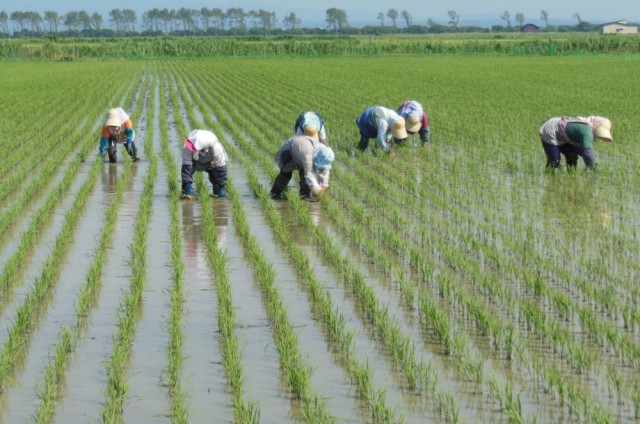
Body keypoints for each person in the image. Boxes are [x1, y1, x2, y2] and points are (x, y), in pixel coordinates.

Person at [270, 124, 335, 200]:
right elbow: (309, 175)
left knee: (305, 181)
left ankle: (304, 199)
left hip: (302, 151)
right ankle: (274, 194)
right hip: (290, 151)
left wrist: (324, 186)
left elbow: (325, 171)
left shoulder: (325, 151)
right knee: (286, 173)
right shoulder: (308, 156)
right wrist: (318, 192)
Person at [539, 116, 612, 171]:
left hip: (564, 135)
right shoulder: (587, 132)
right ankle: (549, 177)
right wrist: (593, 168)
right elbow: (586, 152)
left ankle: (570, 176)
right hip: (551, 129)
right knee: (554, 160)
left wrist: (591, 163)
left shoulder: (588, 129)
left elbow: (582, 151)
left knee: (572, 156)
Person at [181, 129, 228, 199]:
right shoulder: (189, 145)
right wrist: (187, 185)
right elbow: (186, 167)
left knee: (217, 182)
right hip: (195, 162)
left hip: (212, 162)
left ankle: (218, 193)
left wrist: (221, 186)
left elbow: (221, 168)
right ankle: (187, 190)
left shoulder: (216, 148)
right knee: (186, 186)